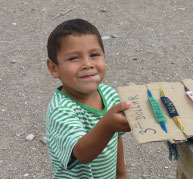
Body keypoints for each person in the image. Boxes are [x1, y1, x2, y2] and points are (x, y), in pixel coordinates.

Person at [46, 18, 131, 179]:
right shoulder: (61, 110)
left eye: (94, 55)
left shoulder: (109, 94)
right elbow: (82, 153)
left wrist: (121, 174)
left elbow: (117, 138)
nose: (87, 64)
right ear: (54, 68)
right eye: (73, 58)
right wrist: (108, 124)